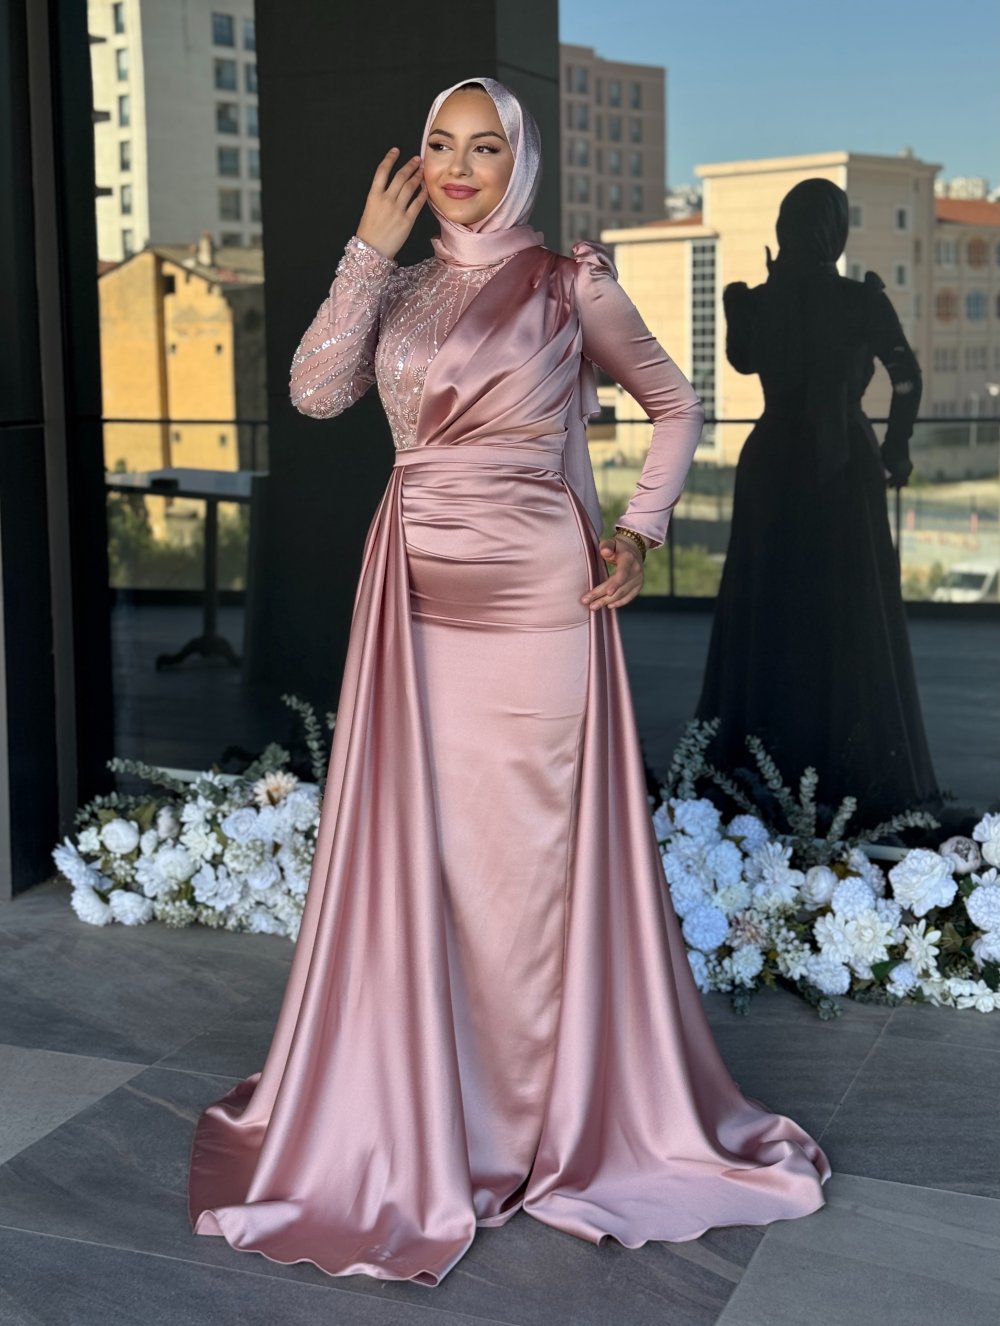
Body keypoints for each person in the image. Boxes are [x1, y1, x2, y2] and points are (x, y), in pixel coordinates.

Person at [186, 78, 831, 1288]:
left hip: (536, 595)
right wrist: (364, 254)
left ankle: (538, 1114)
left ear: (519, 163)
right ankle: (430, 1097)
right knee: (423, 844)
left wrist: (637, 530)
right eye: (441, 143)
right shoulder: (398, 283)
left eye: (485, 147)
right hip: (412, 584)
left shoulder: (567, 282)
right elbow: (315, 392)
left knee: (524, 854)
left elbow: (676, 403)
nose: (458, 165)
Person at [696, 178, 940, 823]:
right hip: (843, 469)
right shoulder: (861, 300)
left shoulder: (751, 301)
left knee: (769, 607)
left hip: (773, 466)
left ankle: (760, 766)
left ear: (784, 228)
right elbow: (908, 380)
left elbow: (742, 360)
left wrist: (748, 300)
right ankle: (845, 772)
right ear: (835, 231)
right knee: (848, 608)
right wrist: (896, 448)